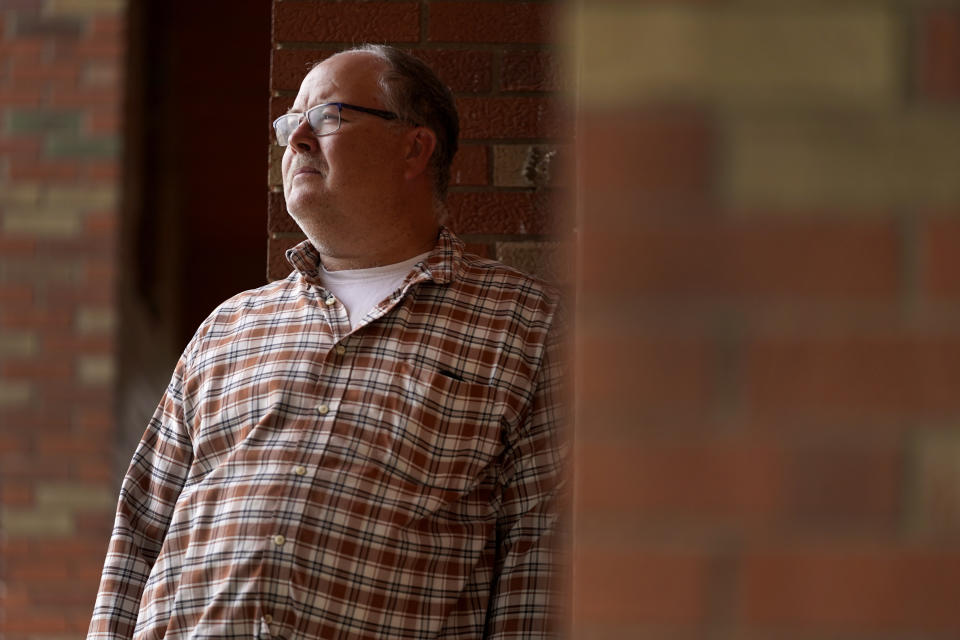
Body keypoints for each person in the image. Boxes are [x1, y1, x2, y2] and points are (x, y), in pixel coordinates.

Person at [88, 44, 566, 640]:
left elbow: (538, 557)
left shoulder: (524, 326)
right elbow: (138, 531)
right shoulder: (228, 326)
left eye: (328, 117)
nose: (296, 141)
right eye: (291, 124)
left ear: (415, 147)